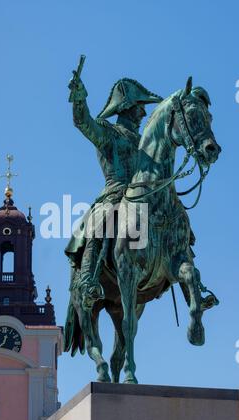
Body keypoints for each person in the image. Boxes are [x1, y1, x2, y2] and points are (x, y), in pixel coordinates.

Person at [65, 74, 163, 308]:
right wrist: (79, 98)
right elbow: (83, 122)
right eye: (140, 106)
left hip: (143, 198)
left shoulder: (144, 142)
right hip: (115, 192)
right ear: (128, 107)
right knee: (100, 222)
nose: (143, 113)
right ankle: (88, 279)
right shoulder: (109, 132)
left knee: (174, 222)